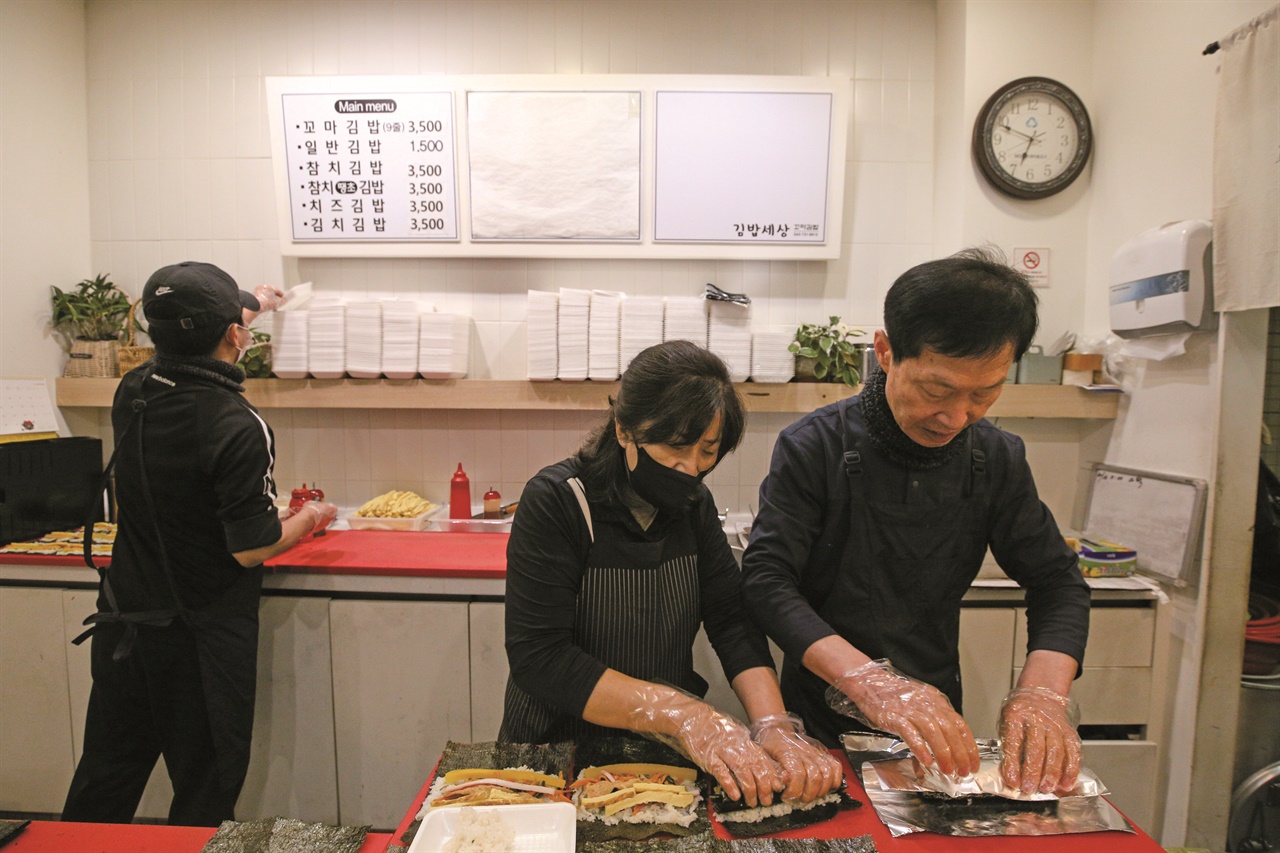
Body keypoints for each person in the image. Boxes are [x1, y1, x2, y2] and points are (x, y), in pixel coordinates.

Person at [741, 247, 1091, 796]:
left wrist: (1042, 695)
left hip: (935, 726)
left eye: (985, 393)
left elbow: (1058, 582)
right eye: (937, 390)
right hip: (820, 724)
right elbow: (767, 580)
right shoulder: (815, 446)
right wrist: (868, 683)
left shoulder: (996, 457)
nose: (957, 416)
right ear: (885, 352)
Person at [500, 340, 842, 806]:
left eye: (707, 451)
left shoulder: (693, 506)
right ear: (624, 429)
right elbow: (541, 657)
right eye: (676, 447)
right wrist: (684, 714)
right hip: (556, 754)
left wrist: (773, 725)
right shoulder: (559, 500)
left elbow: (732, 620)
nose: (690, 468)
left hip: (658, 758)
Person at [61, 262, 337, 826]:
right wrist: (311, 517)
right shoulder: (237, 423)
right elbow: (252, 547)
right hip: (195, 642)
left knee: (104, 781)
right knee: (203, 793)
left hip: (122, 624)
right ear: (235, 334)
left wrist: (254, 303)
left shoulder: (133, 388)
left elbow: (192, 343)